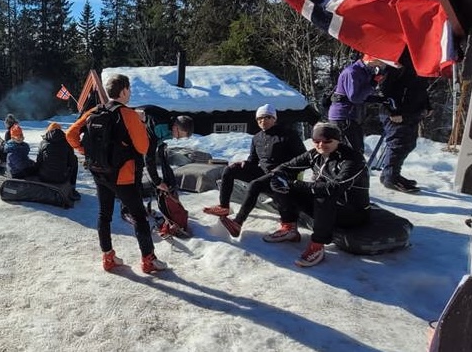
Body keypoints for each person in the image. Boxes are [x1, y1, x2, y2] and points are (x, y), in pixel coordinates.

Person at [66, 74, 167, 274]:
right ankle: (148, 260)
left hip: (99, 171)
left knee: (104, 214)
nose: (130, 93)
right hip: (123, 175)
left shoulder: (94, 111)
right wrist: (142, 123)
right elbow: (143, 147)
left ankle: (108, 257)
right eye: (129, 89)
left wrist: (87, 152)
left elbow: (70, 134)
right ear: (123, 91)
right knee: (139, 216)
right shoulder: (128, 114)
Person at [258, 122, 371, 268]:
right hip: (324, 207)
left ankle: (317, 245)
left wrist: (292, 184)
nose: (321, 145)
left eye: (328, 141)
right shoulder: (315, 154)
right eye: (317, 141)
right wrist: (278, 177)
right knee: (279, 183)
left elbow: (333, 188)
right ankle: (289, 228)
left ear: (338, 140)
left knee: (323, 195)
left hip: (352, 211)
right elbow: (285, 166)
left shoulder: (352, 159)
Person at [204, 104, 306, 236]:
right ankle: (224, 207)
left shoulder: (288, 135)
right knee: (229, 170)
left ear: (274, 118)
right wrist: (244, 164)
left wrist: (286, 171)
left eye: (267, 117)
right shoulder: (257, 137)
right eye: (259, 119)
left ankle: (238, 223)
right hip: (263, 173)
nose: (262, 121)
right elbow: (253, 160)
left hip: (282, 176)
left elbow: (303, 159)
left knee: (255, 184)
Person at [377, 58, 432, 192]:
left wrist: (427, 106)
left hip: (411, 113)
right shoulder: (397, 64)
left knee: (408, 143)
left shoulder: (422, 66)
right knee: (398, 143)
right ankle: (391, 177)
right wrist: (392, 111)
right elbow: (383, 89)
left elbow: (421, 88)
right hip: (396, 113)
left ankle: (391, 174)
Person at [328, 54, 386, 154]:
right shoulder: (352, 72)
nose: (382, 65)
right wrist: (373, 83)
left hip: (352, 116)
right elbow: (355, 97)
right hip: (343, 116)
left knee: (357, 151)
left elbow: (362, 95)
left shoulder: (364, 72)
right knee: (352, 153)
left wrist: (381, 99)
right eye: (380, 62)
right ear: (372, 60)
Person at [135, 105, 194, 193]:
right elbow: (148, 156)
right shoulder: (159, 126)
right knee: (136, 172)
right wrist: (157, 182)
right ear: (175, 127)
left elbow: (159, 148)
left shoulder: (169, 124)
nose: (177, 138)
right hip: (128, 133)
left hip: (142, 129)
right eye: (179, 135)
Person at [35, 122, 80, 199]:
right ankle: (72, 188)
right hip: (61, 178)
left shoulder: (43, 143)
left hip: (44, 177)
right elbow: (71, 163)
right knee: (74, 159)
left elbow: (39, 161)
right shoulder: (67, 143)